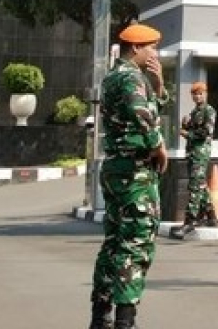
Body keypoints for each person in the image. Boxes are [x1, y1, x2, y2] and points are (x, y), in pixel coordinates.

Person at [88, 23, 170, 329]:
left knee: (113, 244)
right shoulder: (131, 77)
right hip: (134, 171)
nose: (155, 53)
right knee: (136, 244)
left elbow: (146, 108)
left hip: (116, 168)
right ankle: (125, 321)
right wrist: (158, 145)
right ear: (136, 47)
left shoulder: (114, 76)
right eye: (152, 47)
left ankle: (101, 316)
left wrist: (158, 85)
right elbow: (141, 113)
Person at [172, 81, 217, 239]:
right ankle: (211, 216)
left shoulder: (209, 111)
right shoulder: (194, 112)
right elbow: (191, 129)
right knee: (200, 184)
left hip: (201, 152)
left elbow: (205, 132)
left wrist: (187, 133)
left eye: (200, 93)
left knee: (195, 186)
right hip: (192, 152)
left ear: (206, 94)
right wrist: (186, 124)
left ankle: (190, 221)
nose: (198, 96)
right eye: (195, 94)